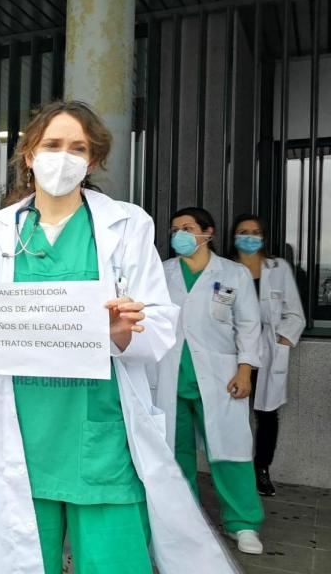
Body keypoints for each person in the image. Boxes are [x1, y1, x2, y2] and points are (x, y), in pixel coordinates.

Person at [0, 101, 240, 573]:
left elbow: (158, 324)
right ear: (30, 154)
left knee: (113, 560)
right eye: (52, 145)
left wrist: (123, 332)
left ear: (93, 160)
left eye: (78, 148)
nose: (64, 157)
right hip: (24, 426)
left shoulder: (127, 224)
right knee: (26, 558)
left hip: (100, 427)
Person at [156, 207, 266, 554]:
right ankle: (185, 522)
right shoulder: (162, 273)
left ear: (208, 232)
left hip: (221, 378)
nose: (179, 235)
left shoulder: (233, 274)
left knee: (230, 451)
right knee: (176, 454)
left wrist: (246, 369)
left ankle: (243, 523)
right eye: (175, 229)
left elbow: (249, 325)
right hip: (170, 377)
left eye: (187, 228)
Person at [231, 214, 305, 496]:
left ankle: (261, 469)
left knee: (267, 414)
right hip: (234, 352)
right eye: (243, 232)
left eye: (255, 232)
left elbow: (295, 313)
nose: (249, 237)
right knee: (233, 412)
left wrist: (282, 340)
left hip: (269, 351)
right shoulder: (226, 269)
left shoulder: (278, 268)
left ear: (263, 237)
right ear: (233, 236)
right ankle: (234, 470)